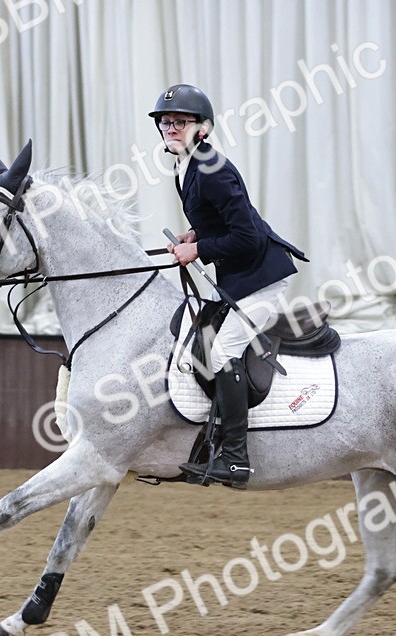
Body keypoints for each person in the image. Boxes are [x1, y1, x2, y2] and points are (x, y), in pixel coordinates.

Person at [150, 83, 309, 489]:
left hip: (262, 277)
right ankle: (213, 441)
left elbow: (248, 237)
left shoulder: (210, 167)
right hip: (241, 278)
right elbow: (221, 218)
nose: (171, 127)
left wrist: (199, 249)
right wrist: (194, 234)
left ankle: (236, 458)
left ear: (202, 128)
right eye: (166, 122)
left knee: (220, 353)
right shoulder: (188, 165)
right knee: (204, 341)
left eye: (180, 122)